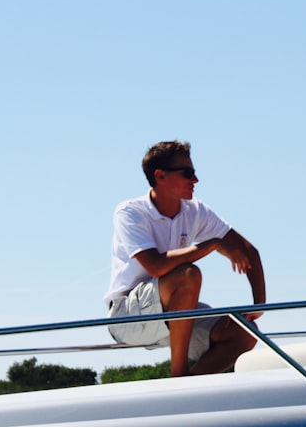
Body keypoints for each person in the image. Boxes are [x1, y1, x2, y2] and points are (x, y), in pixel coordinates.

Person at [103, 140, 266, 377]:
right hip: (128, 318)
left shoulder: (195, 211)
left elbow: (248, 251)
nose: (195, 180)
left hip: (172, 317)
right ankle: (178, 375)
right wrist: (212, 245)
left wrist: (258, 306)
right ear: (160, 176)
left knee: (246, 331)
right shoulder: (130, 212)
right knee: (188, 275)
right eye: (187, 173)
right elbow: (156, 266)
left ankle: (190, 386)